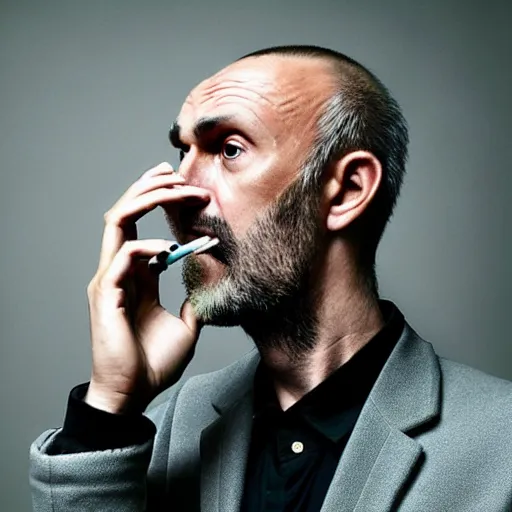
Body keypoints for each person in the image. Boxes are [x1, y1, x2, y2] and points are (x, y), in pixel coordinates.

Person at [29, 46, 512, 512]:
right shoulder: (167, 428)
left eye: (229, 149)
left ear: (346, 190)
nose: (177, 192)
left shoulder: (500, 444)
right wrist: (109, 407)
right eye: (184, 151)